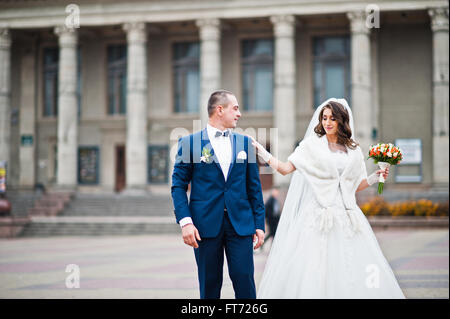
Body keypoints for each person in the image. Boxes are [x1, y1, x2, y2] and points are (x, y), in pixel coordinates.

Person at [252, 98, 405, 298]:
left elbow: (353, 185)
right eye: (324, 118)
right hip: (318, 217)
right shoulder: (311, 146)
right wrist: (263, 152)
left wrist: (374, 177)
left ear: (342, 120)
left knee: (352, 267)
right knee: (316, 270)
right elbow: (285, 169)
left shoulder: (353, 150)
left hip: (348, 218)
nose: (327, 122)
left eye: (333, 118)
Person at [171, 90, 265, 299]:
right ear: (219, 110)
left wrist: (259, 224)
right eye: (235, 108)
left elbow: (254, 188)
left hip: (240, 224)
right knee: (210, 284)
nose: (239, 113)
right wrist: (185, 222)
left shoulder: (245, 144)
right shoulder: (189, 143)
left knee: (245, 282)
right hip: (204, 226)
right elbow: (178, 186)